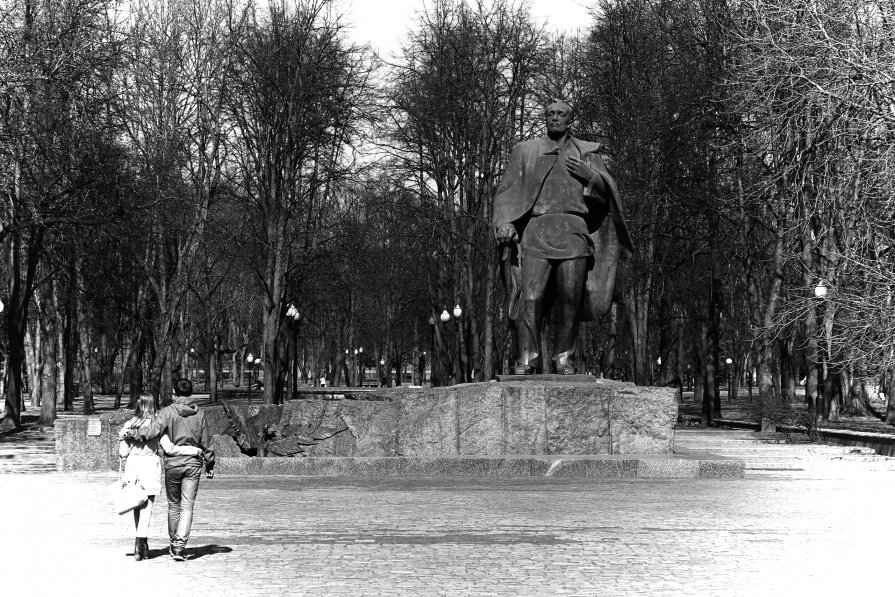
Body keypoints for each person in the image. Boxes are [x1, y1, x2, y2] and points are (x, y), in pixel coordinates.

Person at [493, 100, 634, 374]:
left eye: (560, 114)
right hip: (537, 229)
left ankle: (564, 358)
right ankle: (526, 358)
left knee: (571, 300)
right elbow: (506, 194)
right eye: (550, 114)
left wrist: (590, 177)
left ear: (570, 119)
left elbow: (609, 197)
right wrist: (504, 223)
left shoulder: (587, 153)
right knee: (531, 298)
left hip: (573, 231)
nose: (554, 118)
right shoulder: (526, 151)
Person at [127, 379, 215, 561]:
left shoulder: (167, 412)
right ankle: (179, 547)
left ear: (175, 393)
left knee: (174, 506)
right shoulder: (200, 414)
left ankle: (173, 541)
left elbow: (152, 431)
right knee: (188, 506)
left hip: (173, 464)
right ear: (190, 393)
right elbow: (206, 441)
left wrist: (133, 434)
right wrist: (210, 463)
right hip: (193, 464)